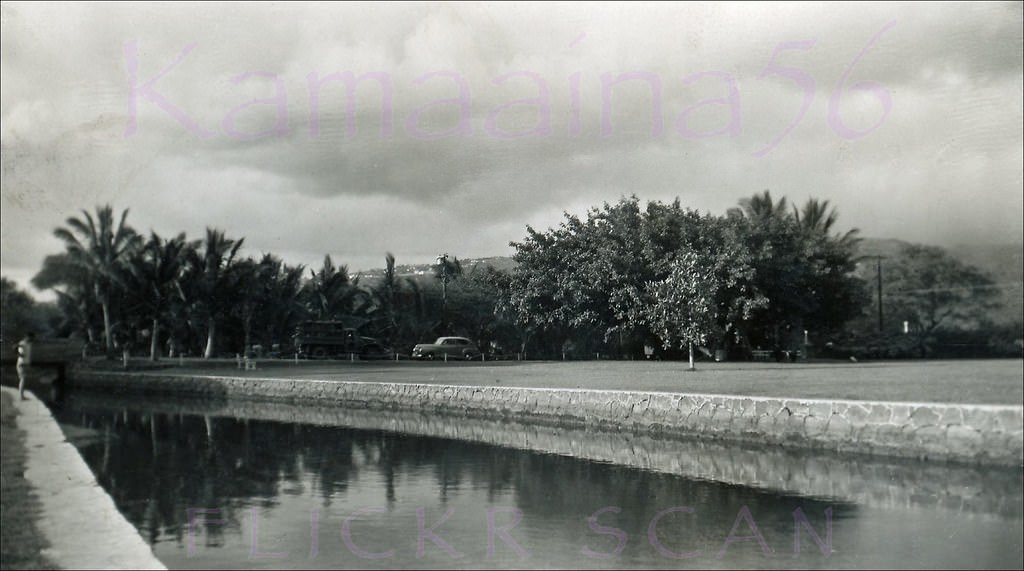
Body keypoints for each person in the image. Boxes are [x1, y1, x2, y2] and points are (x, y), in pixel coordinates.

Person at [16, 333, 34, 400]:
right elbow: (14, 347)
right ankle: (21, 397)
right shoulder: (22, 343)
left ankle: (22, 396)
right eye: (31, 338)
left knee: (24, 380)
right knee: (22, 380)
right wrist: (19, 355)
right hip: (22, 364)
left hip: (25, 364)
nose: (32, 339)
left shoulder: (29, 343)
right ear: (27, 337)